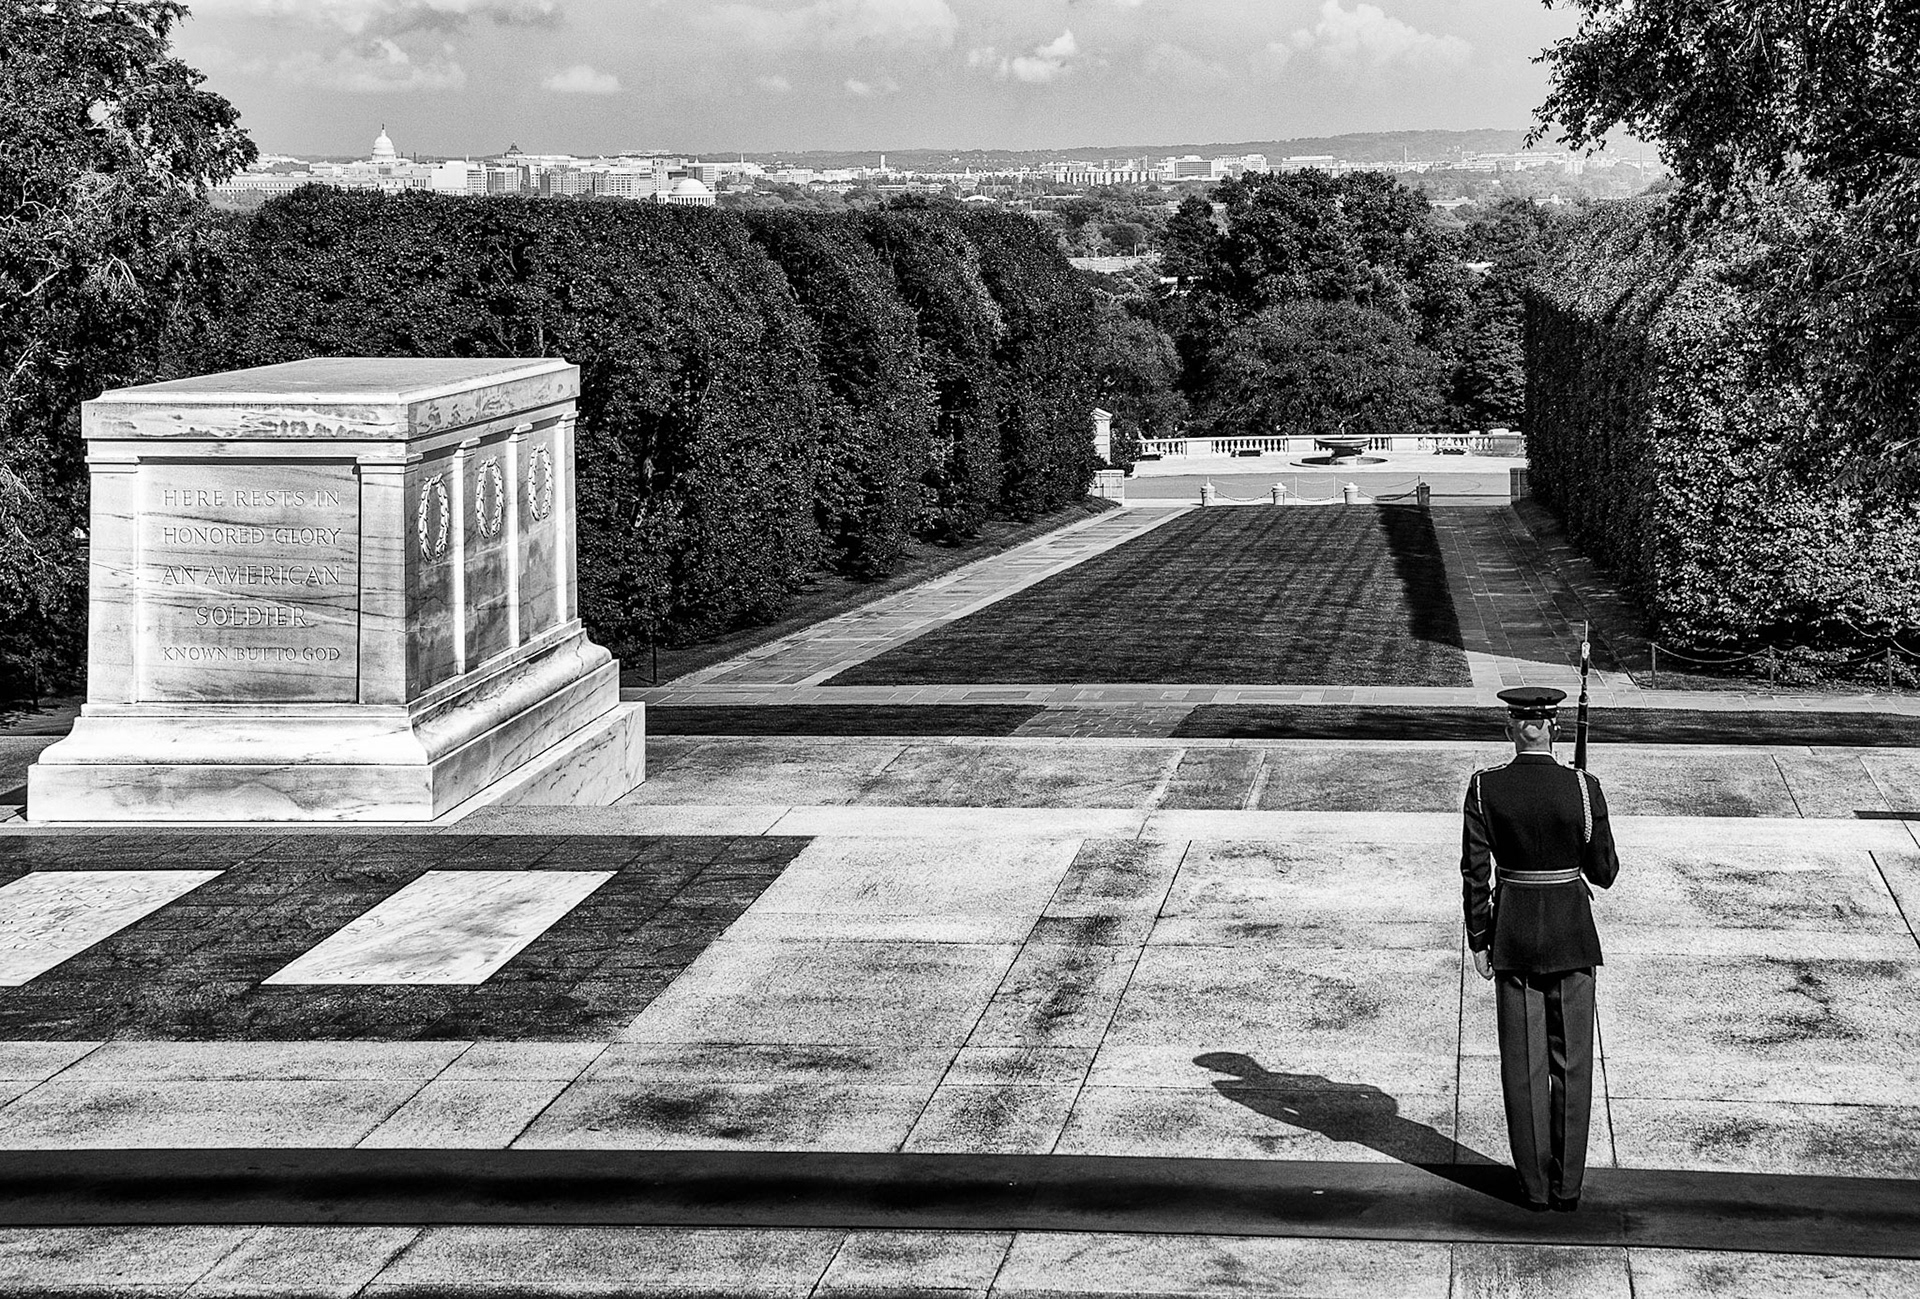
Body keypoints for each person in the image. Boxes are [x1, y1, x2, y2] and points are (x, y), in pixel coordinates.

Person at [1460, 685, 1620, 1212]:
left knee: (1523, 1069)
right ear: (1554, 727)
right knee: (1572, 1064)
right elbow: (1605, 873)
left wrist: (1480, 937)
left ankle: (1532, 1188)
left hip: (1514, 935)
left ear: (1512, 728)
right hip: (1572, 935)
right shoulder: (1582, 786)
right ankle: (1567, 1189)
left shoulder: (1485, 789)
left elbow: (1476, 873)